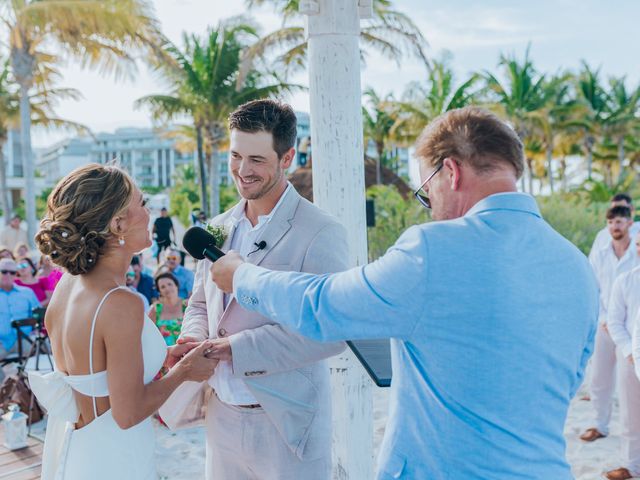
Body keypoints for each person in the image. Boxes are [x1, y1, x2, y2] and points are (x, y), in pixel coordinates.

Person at [211, 106, 598, 479]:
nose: (430, 208)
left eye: (427, 191)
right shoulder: (578, 267)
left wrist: (243, 277)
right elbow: (568, 381)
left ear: (451, 171)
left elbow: (323, 304)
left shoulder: (433, 249)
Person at [162, 99, 347, 480]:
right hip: (220, 418)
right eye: (235, 156)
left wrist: (232, 348)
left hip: (287, 424)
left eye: (257, 160)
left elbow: (329, 333)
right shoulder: (216, 226)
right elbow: (199, 302)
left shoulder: (322, 232)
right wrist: (193, 337)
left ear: (287, 157)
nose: (242, 171)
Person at [27, 163, 219, 480]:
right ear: (117, 224)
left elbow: (94, 372)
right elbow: (127, 413)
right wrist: (184, 371)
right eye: (142, 204)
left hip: (78, 448)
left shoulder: (67, 285)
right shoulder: (121, 302)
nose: (150, 214)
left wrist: (164, 355)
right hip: (114, 458)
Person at [581, 205, 639, 444]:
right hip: (606, 324)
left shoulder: (637, 251)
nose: (615, 226)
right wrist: (604, 318)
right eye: (611, 222)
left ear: (629, 223)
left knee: (629, 387)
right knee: (599, 377)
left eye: (619, 222)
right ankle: (600, 424)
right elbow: (592, 286)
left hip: (633, 327)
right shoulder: (601, 250)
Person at [605, 232, 640, 480]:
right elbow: (614, 322)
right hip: (631, 357)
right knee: (630, 413)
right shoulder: (625, 281)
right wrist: (630, 352)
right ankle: (631, 465)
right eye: (638, 244)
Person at [0, 258, 40, 372]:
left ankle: (29, 387)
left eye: (12, 272)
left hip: (25, 341)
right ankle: (4, 388)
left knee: (47, 351)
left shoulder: (27, 292)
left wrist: (35, 332)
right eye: (4, 271)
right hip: (2, 343)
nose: (8, 275)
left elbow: (38, 316)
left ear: (15, 274)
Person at [148, 272, 186, 347]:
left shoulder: (187, 305)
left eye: (169, 284)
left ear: (176, 285)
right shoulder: (155, 309)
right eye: (162, 287)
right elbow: (149, 334)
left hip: (186, 352)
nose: (167, 288)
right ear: (160, 292)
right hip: (163, 353)